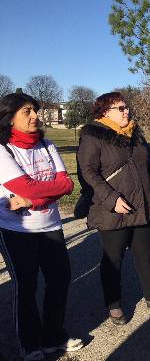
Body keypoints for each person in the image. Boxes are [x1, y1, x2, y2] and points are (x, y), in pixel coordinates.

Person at [77, 92, 150, 326]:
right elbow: (88, 173)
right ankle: (113, 304)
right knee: (114, 259)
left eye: (126, 107)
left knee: (145, 253)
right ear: (105, 112)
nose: (126, 111)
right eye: (120, 108)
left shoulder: (135, 134)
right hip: (112, 209)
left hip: (140, 206)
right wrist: (111, 199)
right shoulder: (93, 136)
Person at [0, 93, 83, 360]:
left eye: (35, 110)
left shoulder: (47, 145)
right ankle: (30, 343)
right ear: (9, 118)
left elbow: (67, 185)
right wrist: (37, 192)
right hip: (16, 230)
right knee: (26, 286)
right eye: (27, 111)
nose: (35, 115)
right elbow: (24, 186)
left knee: (59, 280)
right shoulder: (3, 150)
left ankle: (53, 336)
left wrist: (31, 200)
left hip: (51, 225)